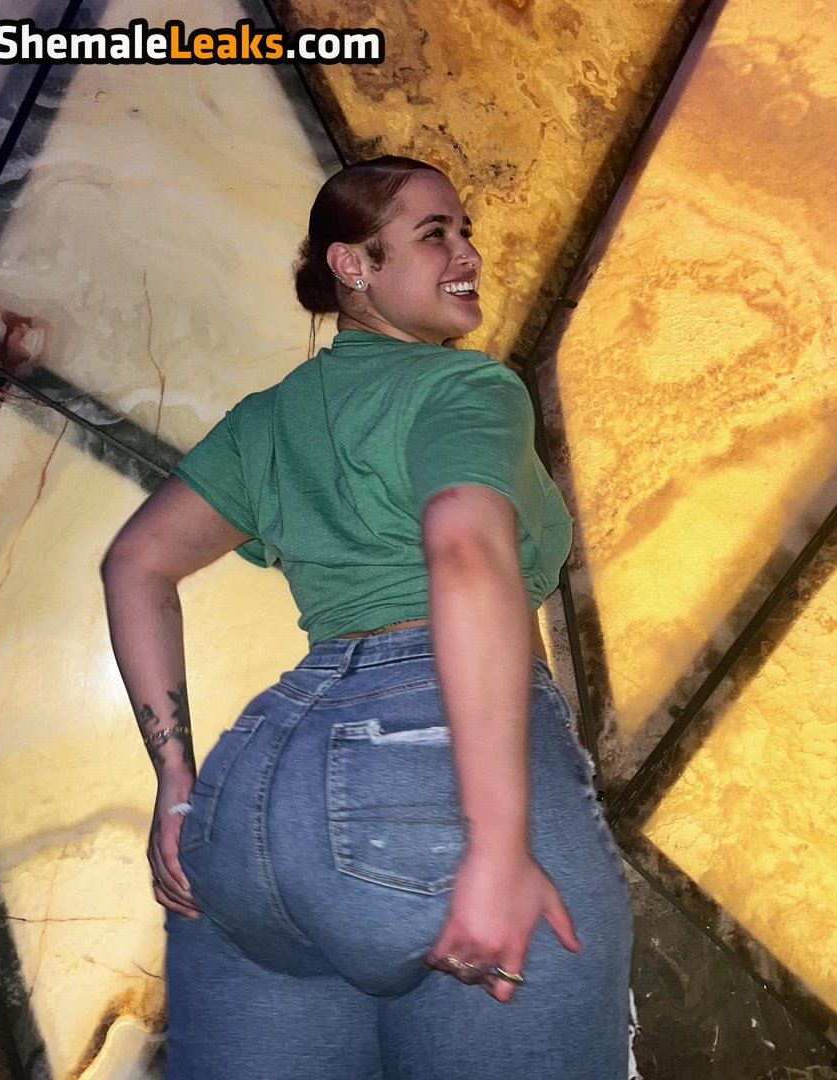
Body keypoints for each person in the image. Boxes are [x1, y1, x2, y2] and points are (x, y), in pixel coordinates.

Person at [101, 155, 632, 1079]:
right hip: (431, 781)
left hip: (257, 806)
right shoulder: (464, 389)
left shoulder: (269, 420)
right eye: (435, 235)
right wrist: (498, 847)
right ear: (352, 265)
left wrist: (176, 784)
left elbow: (134, 563)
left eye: (466, 232)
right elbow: (465, 552)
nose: (467, 253)